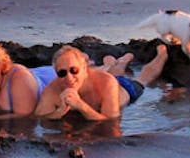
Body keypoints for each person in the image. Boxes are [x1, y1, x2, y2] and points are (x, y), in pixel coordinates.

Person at [34, 44, 168, 121]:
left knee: (142, 80)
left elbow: (111, 122)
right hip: (104, 78)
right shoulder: (52, 90)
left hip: (124, 89)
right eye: (62, 73)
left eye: (74, 70)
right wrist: (59, 112)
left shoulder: (107, 83)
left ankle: (162, 55)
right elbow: (38, 118)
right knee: (113, 73)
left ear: (85, 68)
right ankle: (115, 63)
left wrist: (81, 106)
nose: (69, 78)